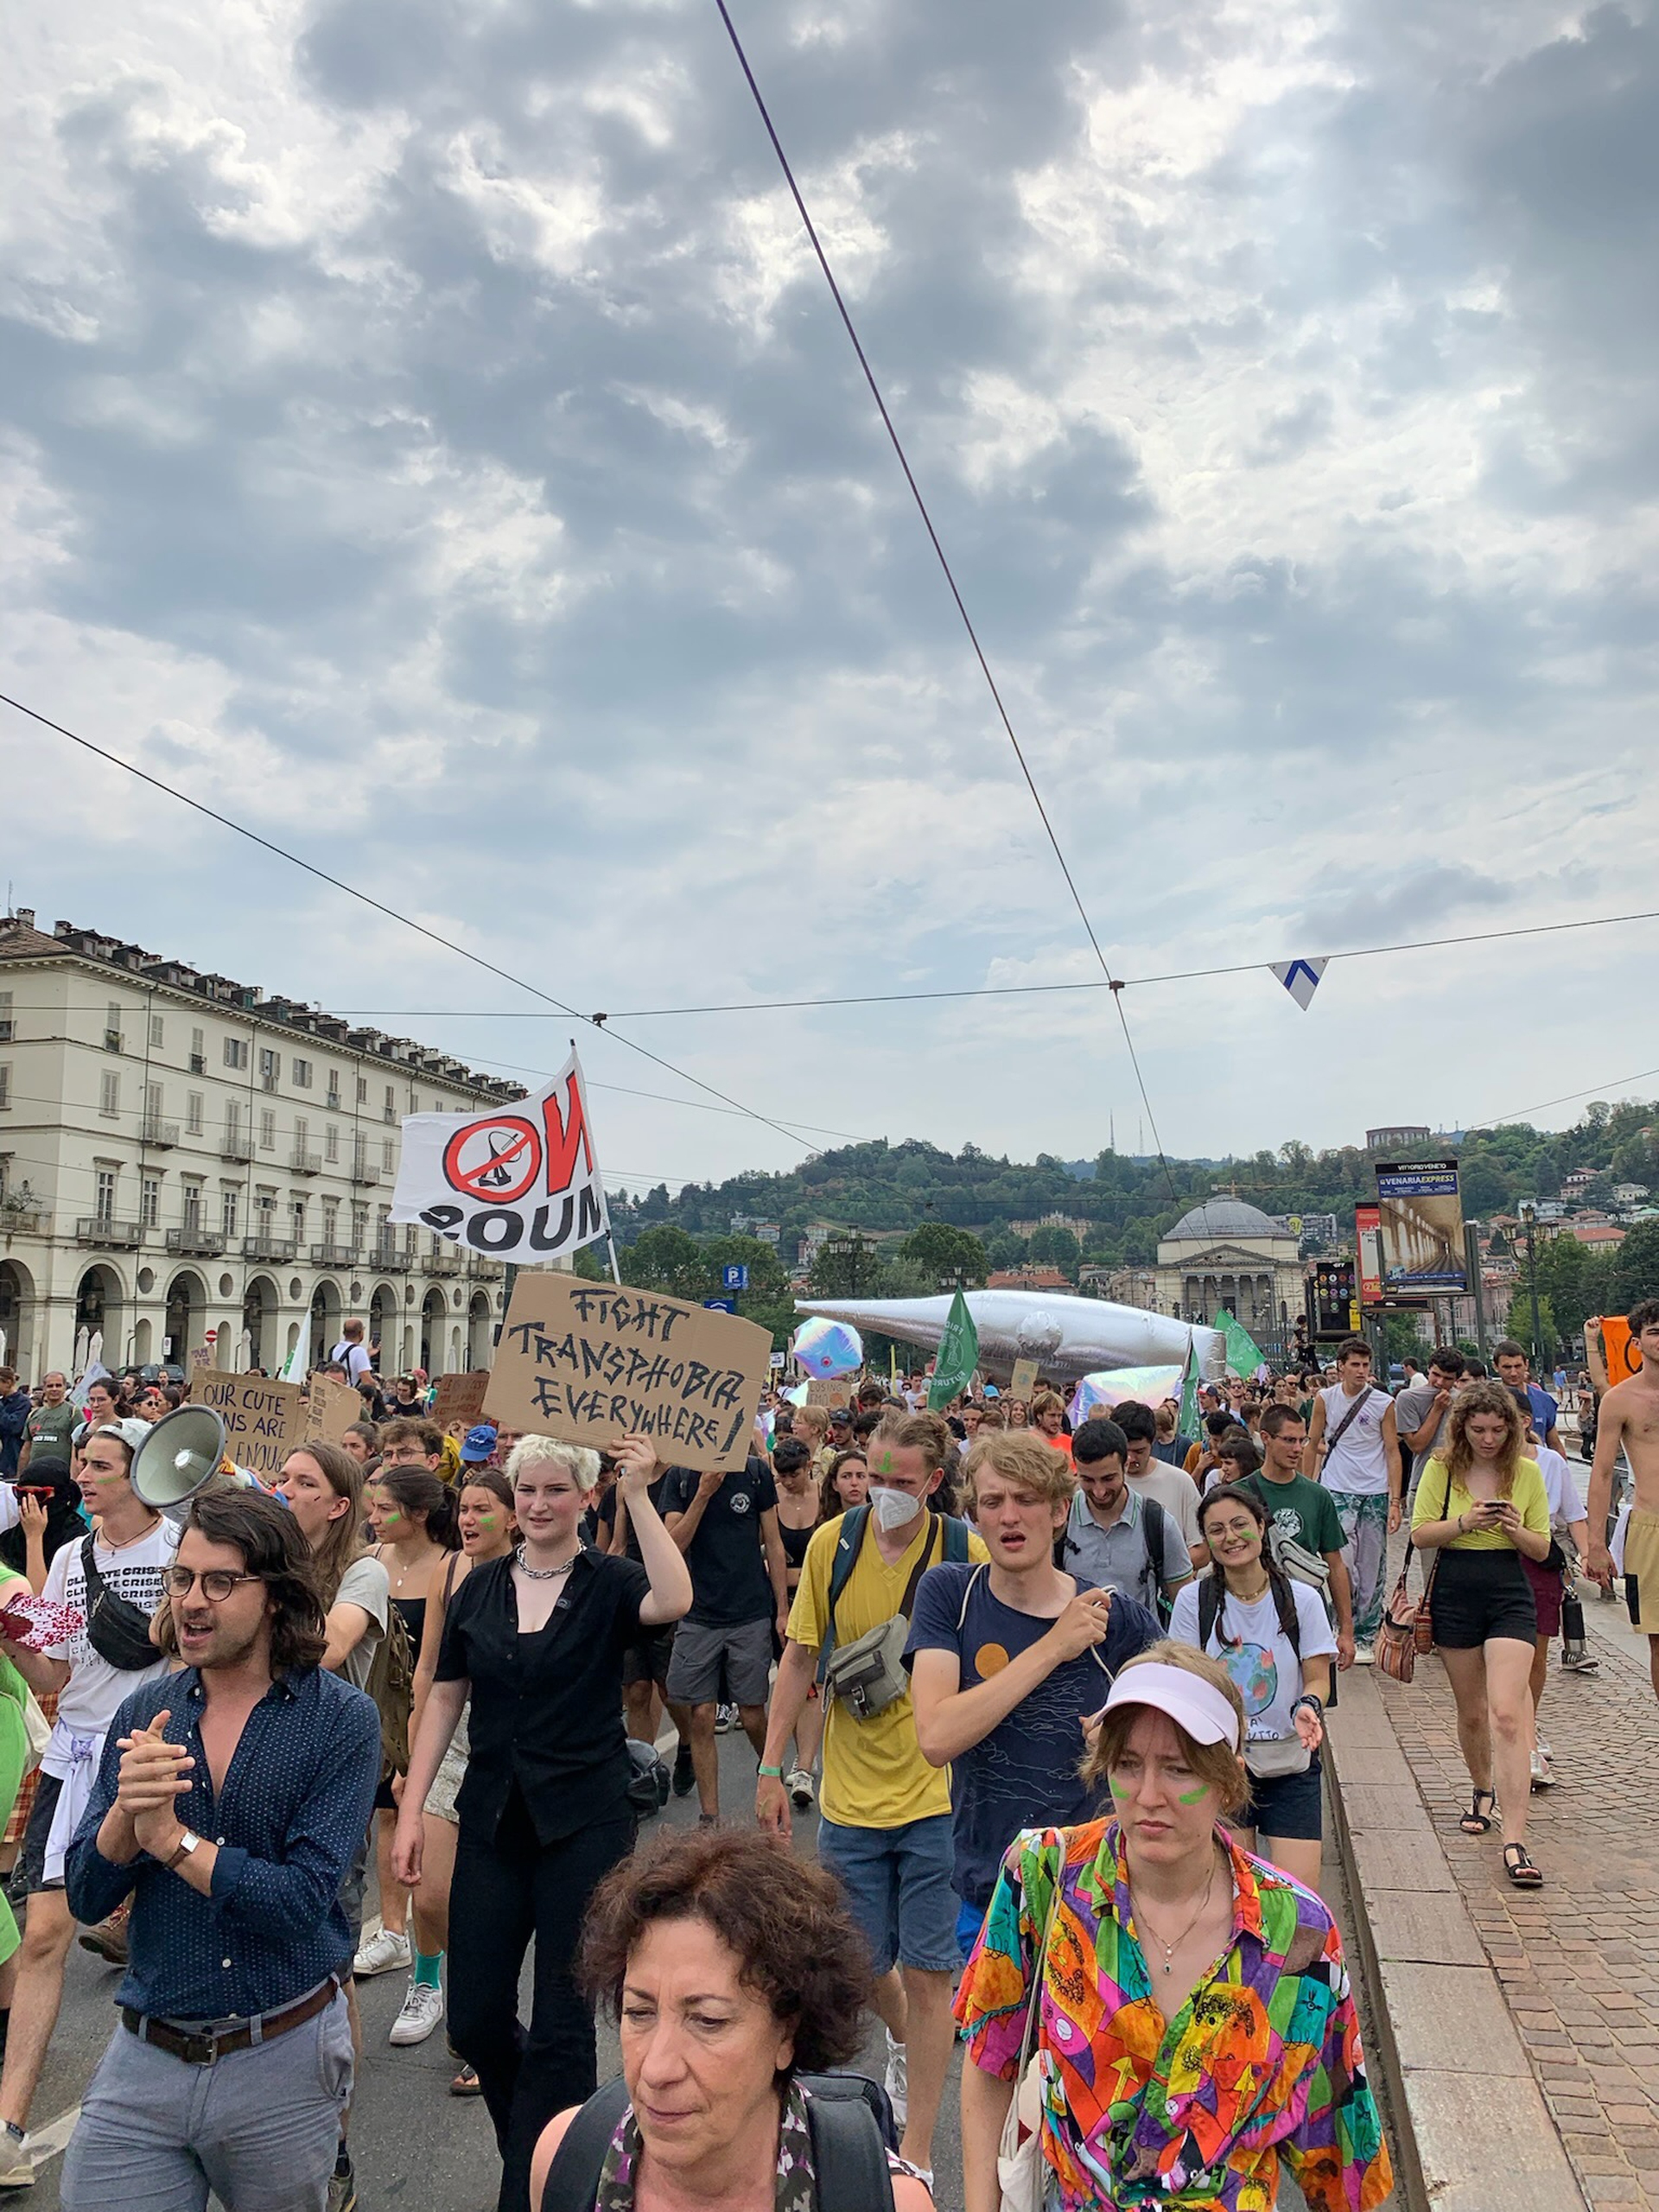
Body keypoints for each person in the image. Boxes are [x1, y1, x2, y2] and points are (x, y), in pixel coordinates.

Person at [956, 1645, 1391, 2212]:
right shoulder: (1044, 1877)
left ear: (1230, 1781)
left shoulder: (1296, 1933)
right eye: (1129, 1764)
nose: (1149, 1796)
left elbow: (1336, 2159)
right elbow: (991, 2056)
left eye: (1179, 1768)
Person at [392, 1434, 691, 2212]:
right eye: (527, 1489)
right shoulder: (480, 1587)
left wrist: (638, 1494)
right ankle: (541, 2145)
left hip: (585, 1825)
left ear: (584, 1498)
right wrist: (413, 1811)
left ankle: (536, 2189)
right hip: (492, 1819)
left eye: (557, 1490)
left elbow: (674, 1599)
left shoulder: (610, 1582)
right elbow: (446, 1701)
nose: (537, 1504)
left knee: (564, 2025)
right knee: (476, 2017)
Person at [60, 1489, 380, 2212]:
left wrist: (172, 1841)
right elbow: (85, 1895)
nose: (192, 1602)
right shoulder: (147, 1710)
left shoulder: (340, 1722)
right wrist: (125, 1817)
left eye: (220, 1582)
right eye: (182, 1578)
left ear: (276, 1596)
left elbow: (300, 1903)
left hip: (282, 2056)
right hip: (145, 2056)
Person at [756, 1413, 987, 2184]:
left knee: (930, 1973)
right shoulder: (835, 1544)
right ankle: (900, 2041)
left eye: (901, 1482)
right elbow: (800, 1656)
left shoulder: (963, 1552)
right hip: (849, 1803)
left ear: (932, 1483)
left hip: (935, 1798)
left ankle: (916, 2153)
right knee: (860, 1962)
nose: (885, 1493)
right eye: (875, 1478)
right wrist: (768, 1766)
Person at [530, 1827, 931, 2212]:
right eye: (639, 2013)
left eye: (707, 2021)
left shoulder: (881, 2200)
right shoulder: (567, 2159)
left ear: (787, 2033)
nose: (656, 2069)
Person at [0, 1418, 177, 2187]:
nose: (84, 1475)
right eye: (82, 1461)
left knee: (168, 1936)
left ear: (142, 1475)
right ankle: (7, 2128)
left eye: (101, 1464)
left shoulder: (180, 1553)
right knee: (42, 1935)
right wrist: (12, 1637)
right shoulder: (72, 1557)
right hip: (76, 1760)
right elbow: (50, 1676)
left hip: (157, 1757)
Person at [907, 1433, 1160, 1950]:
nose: (1009, 1517)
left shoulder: (1112, 1616)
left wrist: (1125, 1731)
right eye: (993, 1502)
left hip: (1096, 1895)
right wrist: (1053, 1647)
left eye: (1026, 1500)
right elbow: (936, 1737)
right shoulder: (950, 1594)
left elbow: (1191, 1719)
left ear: (1060, 1511)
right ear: (974, 1514)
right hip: (989, 1892)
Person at [402, 1465, 518, 2088]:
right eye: (464, 1509)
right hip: (450, 1735)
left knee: (491, 1898)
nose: (470, 1520)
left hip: (511, 1741)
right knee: (435, 1887)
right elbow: (428, 1669)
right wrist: (414, 1759)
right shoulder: (449, 1571)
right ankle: (429, 1983)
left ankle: (481, 2025)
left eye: (484, 1509)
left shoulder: (539, 1573)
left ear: (513, 1516)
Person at [1410, 1380, 1552, 1886]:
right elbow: (1420, 1530)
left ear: (1512, 1430)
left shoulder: (1528, 1473)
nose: (1489, 1439)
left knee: (1507, 1715)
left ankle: (1515, 1839)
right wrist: (1465, 1521)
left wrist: (1513, 1527)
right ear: (1463, 1429)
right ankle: (1481, 1787)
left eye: (1497, 1429)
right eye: (1479, 1430)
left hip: (1509, 1589)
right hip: (1455, 1590)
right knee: (1471, 1712)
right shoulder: (1441, 1468)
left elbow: (1541, 1549)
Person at [1169, 1485, 1335, 1891]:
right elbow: (1185, 1680)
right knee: (1235, 1891)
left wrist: (1309, 1704)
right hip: (1223, 1765)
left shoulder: (1303, 1599)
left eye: (1240, 1524)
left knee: (1299, 1899)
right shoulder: (1195, 1601)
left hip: (1290, 1763)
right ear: (1207, 1541)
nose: (1230, 1537)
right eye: (1217, 1530)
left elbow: (1317, 1677)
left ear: (1262, 1527)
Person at [353, 1466, 458, 1986]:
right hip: (369, 1711)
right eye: (371, 1507)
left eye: (384, 1508)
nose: (373, 1518)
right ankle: (392, 1931)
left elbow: (432, 1668)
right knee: (378, 1822)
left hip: (418, 1716)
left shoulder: (447, 1566)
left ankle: (426, 1963)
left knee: (404, 1825)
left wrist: (415, 1746)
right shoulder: (369, 1562)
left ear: (419, 1515)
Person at [661, 1446, 788, 1825]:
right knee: (701, 1715)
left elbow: (775, 1543)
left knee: (751, 1714)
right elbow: (673, 1544)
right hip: (699, 1612)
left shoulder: (754, 1473)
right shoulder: (680, 1477)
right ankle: (709, 1817)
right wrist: (703, 1493)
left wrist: (781, 1609)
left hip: (749, 1609)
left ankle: (770, 1776)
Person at [1510, 1399, 1593, 1789]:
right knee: (1509, 1650)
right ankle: (1520, 1736)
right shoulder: (1489, 1462)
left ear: (1526, 1421)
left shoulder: (1551, 1462)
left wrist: (1591, 1553)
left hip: (1541, 1559)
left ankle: (1529, 1721)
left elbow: (1573, 1513)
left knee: (1536, 1652)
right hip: (1501, 1559)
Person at [1301, 1338, 1400, 1664]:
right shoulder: (1324, 1399)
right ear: (1341, 1366)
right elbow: (1312, 1442)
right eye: (1355, 1364)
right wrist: (1304, 1486)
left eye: (1365, 1365)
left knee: (1371, 1565)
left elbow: (1391, 1450)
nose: (1360, 1371)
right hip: (1337, 1489)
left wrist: (1395, 1501)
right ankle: (1340, 1623)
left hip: (1374, 1491)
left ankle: (1366, 1633)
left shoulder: (1383, 1403)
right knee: (1340, 1563)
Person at [1236, 1404, 1355, 1669]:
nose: (1298, 1449)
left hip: (1306, 1607)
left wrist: (1346, 1631)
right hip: (1255, 1611)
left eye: (1303, 1441)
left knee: (1314, 1698)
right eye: (1289, 1440)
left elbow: (1335, 1564)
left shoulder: (1317, 1495)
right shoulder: (1238, 1495)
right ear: (1265, 1438)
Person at [1588, 1300, 1659, 1702]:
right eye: (1654, 1331)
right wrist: (1595, 1545)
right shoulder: (1621, 1399)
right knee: (1658, 1639)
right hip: (1650, 1525)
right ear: (1637, 1342)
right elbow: (1600, 1473)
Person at [1057, 1418, 1190, 1620]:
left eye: (1108, 1479)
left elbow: (1184, 1603)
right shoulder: (1059, 1521)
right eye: (1088, 1480)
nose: (1099, 1491)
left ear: (1126, 1466)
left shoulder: (1157, 1523)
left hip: (1142, 1649)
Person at [769, 1438, 824, 1809]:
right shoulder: (771, 1500)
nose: (789, 1481)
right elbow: (770, 1552)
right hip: (785, 1599)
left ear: (809, 1468)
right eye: (782, 1475)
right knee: (793, 1682)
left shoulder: (825, 1496)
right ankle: (799, 1751)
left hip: (822, 1595)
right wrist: (781, 1605)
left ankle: (804, 1765)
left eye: (795, 1474)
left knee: (815, 1682)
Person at [1108, 1403, 1205, 1569]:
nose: (1131, 1459)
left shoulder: (1180, 1481)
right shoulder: (1099, 1486)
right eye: (1125, 1451)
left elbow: (1202, 1552)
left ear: (1153, 1442)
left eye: (1139, 1451)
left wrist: (1158, 1571)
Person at [1393, 1345, 1466, 1505]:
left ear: (1456, 1380)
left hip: (1460, 1481)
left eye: (1447, 1378)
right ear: (1428, 1370)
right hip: (1423, 1481)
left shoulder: (1464, 1399)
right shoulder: (1408, 1398)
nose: (1439, 1382)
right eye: (1436, 1375)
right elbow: (1416, 1445)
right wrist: (1437, 1409)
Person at [1493, 1340, 1565, 1457]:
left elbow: (1554, 1444)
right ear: (1495, 1367)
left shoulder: (1544, 1400)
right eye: (1507, 1367)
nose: (1513, 1373)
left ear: (1526, 1365)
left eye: (1518, 1366)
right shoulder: (1488, 1401)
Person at [818, 1448, 869, 1523]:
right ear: (835, 1484)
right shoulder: (827, 1525)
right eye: (846, 1477)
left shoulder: (880, 1520)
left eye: (860, 1476)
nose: (854, 1483)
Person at [0, 1374, 28, 1485]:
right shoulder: (3, 1402)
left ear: (8, 1383)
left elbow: (14, 1427)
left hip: (12, 1456)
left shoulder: (23, 1403)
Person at [330, 1319, 373, 1388]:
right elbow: (367, 1381)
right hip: (351, 1393)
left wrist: (368, 1354)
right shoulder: (359, 1351)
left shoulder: (335, 1348)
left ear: (344, 1333)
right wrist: (377, 1386)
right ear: (361, 1333)